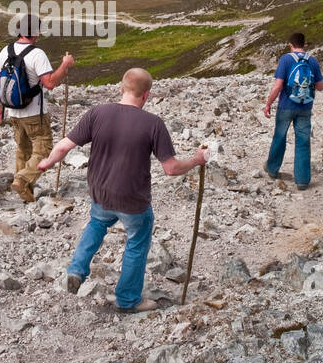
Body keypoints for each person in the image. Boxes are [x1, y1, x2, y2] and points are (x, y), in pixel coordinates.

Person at [39, 68, 208, 313]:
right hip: (132, 199)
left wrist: (47, 162)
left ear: (122, 88)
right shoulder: (153, 123)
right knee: (137, 241)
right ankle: (128, 299)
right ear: (147, 95)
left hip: (101, 191)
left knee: (97, 223)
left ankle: (76, 269)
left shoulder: (97, 112)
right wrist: (195, 160)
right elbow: (170, 169)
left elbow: (65, 146)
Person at [0, 15, 73, 203]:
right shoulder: (37, 54)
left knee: (23, 149)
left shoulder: (6, 50)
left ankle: (25, 194)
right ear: (36, 32)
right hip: (34, 112)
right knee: (44, 150)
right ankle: (22, 179)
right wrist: (65, 64)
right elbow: (50, 83)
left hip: (13, 111)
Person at [263, 32, 323, 189]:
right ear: (304, 44)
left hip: (286, 105)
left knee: (280, 136)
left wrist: (268, 103)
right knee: (303, 142)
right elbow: (320, 86)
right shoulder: (313, 60)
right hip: (305, 107)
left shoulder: (285, 59)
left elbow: (278, 85)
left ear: (290, 45)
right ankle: (303, 180)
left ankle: (272, 169)